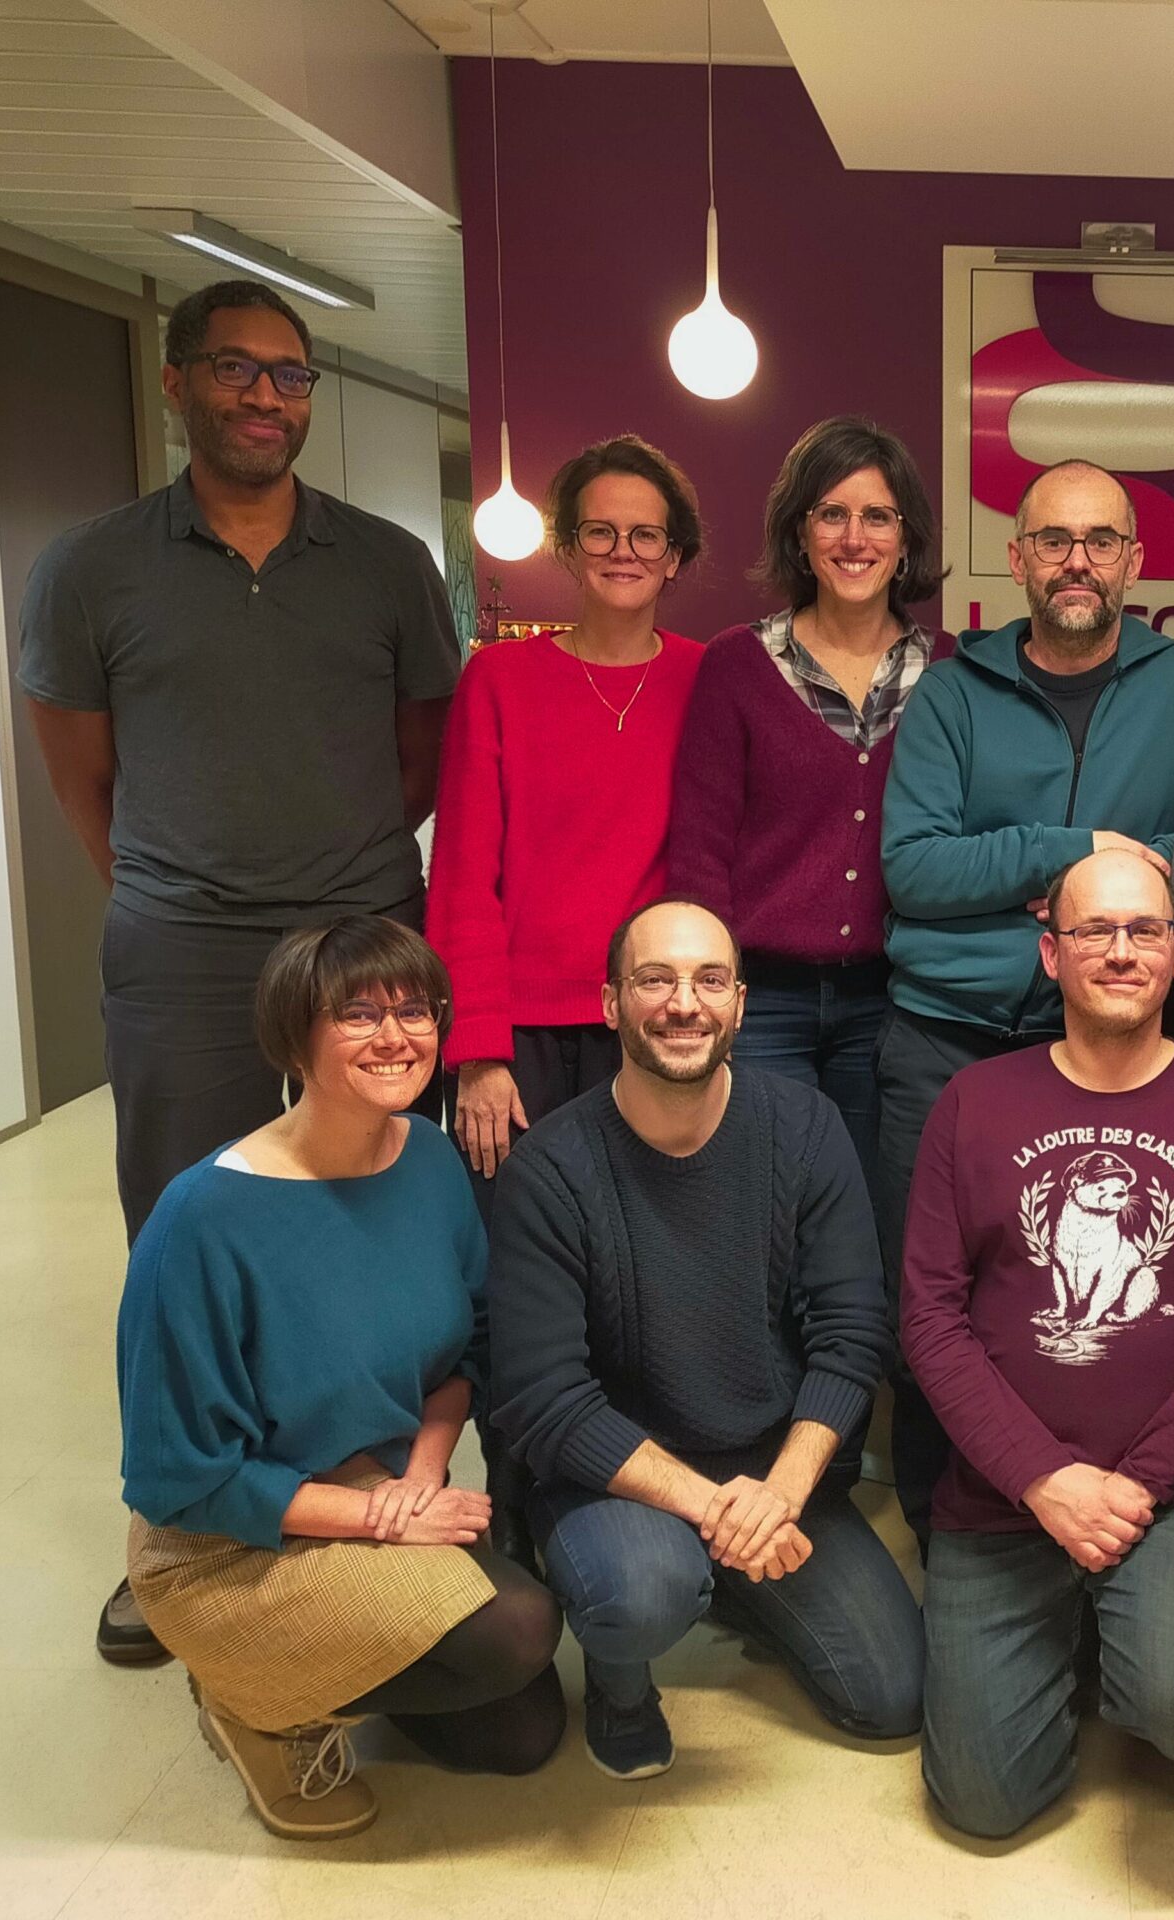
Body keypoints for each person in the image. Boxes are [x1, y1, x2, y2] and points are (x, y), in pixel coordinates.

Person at [18, 279, 462, 1666]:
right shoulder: (91, 567)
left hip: (363, 929)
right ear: (177, 384)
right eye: (236, 372)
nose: (266, 399)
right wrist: (181, 881)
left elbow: (419, 757)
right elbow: (82, 774)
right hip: (183, 944)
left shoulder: (389, 563)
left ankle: (377, 1502)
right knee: (181, 1235)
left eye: (290, 376)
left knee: (372, 1224)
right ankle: (176, 1541)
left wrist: (331, 879)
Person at [117, 917, 564, 1842]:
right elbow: (181, 1479)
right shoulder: (202, 1220)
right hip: (232, 1540)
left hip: (379, 1484)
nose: (395, 1036)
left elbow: (461, 1356)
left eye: (416, 1011)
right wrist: (379, 1519)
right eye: (358, 1013)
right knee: (516, 1628)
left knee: (523, 1734)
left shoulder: (431, 1159)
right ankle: (251, 1703)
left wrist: (421, 1479)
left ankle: (325, 1665)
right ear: (295, 1035)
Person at [875, 458, 1174, 1544]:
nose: (1075, 560)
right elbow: (915, 871)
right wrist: (1088, 856)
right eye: (1052, 540)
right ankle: (951, 1545)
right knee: (939, 1311)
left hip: (1126, 1051)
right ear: (1018, 558)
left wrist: (1036, 887)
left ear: (1133, 559)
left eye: (1099, 540)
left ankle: (1124, 1523)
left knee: (1111, 1312)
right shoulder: (952, 691)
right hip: (949, 1043)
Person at [901, 845, 1174, 1839]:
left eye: (1142, 931)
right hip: (1004, 1493)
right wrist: (1043, 1479)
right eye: (1093, 932)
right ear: (1050, 955)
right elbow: (930, 1319)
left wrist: (1138, 1483)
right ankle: (1074, 1632)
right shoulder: (973, 1103)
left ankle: (1128, 1627)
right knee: (982, 1807)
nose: (1120, 951)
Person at [486, 898, 921, 1780]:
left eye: (709, 980)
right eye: (655, 979)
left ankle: (726, 1569)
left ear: (740, 1002)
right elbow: (544, 1399)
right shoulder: (552, 1169)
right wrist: (708, 1505)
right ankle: (622, 1683)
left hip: (765, 1469)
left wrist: (781, 1492)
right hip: (614, 1476)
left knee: (893, 1698)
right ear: (611, 1005)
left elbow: (851, 1332)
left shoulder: (804, 1129)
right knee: (642, 1594)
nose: (684, 1002)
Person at [428, 434, 708, 1570]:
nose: (623, 550)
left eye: (647, 532)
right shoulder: (500, 677)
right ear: (566, 545)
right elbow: (463, 876)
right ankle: (519, 1515)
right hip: (528, 1042)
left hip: (658, 1029)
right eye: (601, 530)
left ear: (678, 552)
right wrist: (477, 1050)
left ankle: (654, 1512)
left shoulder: (709, 675)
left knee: (658, 1278)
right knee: (520, 1285)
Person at [667, 416, 948, 1192]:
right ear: (800, 532)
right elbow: (700, 847)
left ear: (906, 536)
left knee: (869, 1209)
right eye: (831, 513)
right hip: (764, 1002)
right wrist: (709, 993)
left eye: (877, 516)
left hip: (893, 1001)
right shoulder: (739, 664)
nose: (854, 538)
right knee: (768, 1204)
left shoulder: (953, 671)